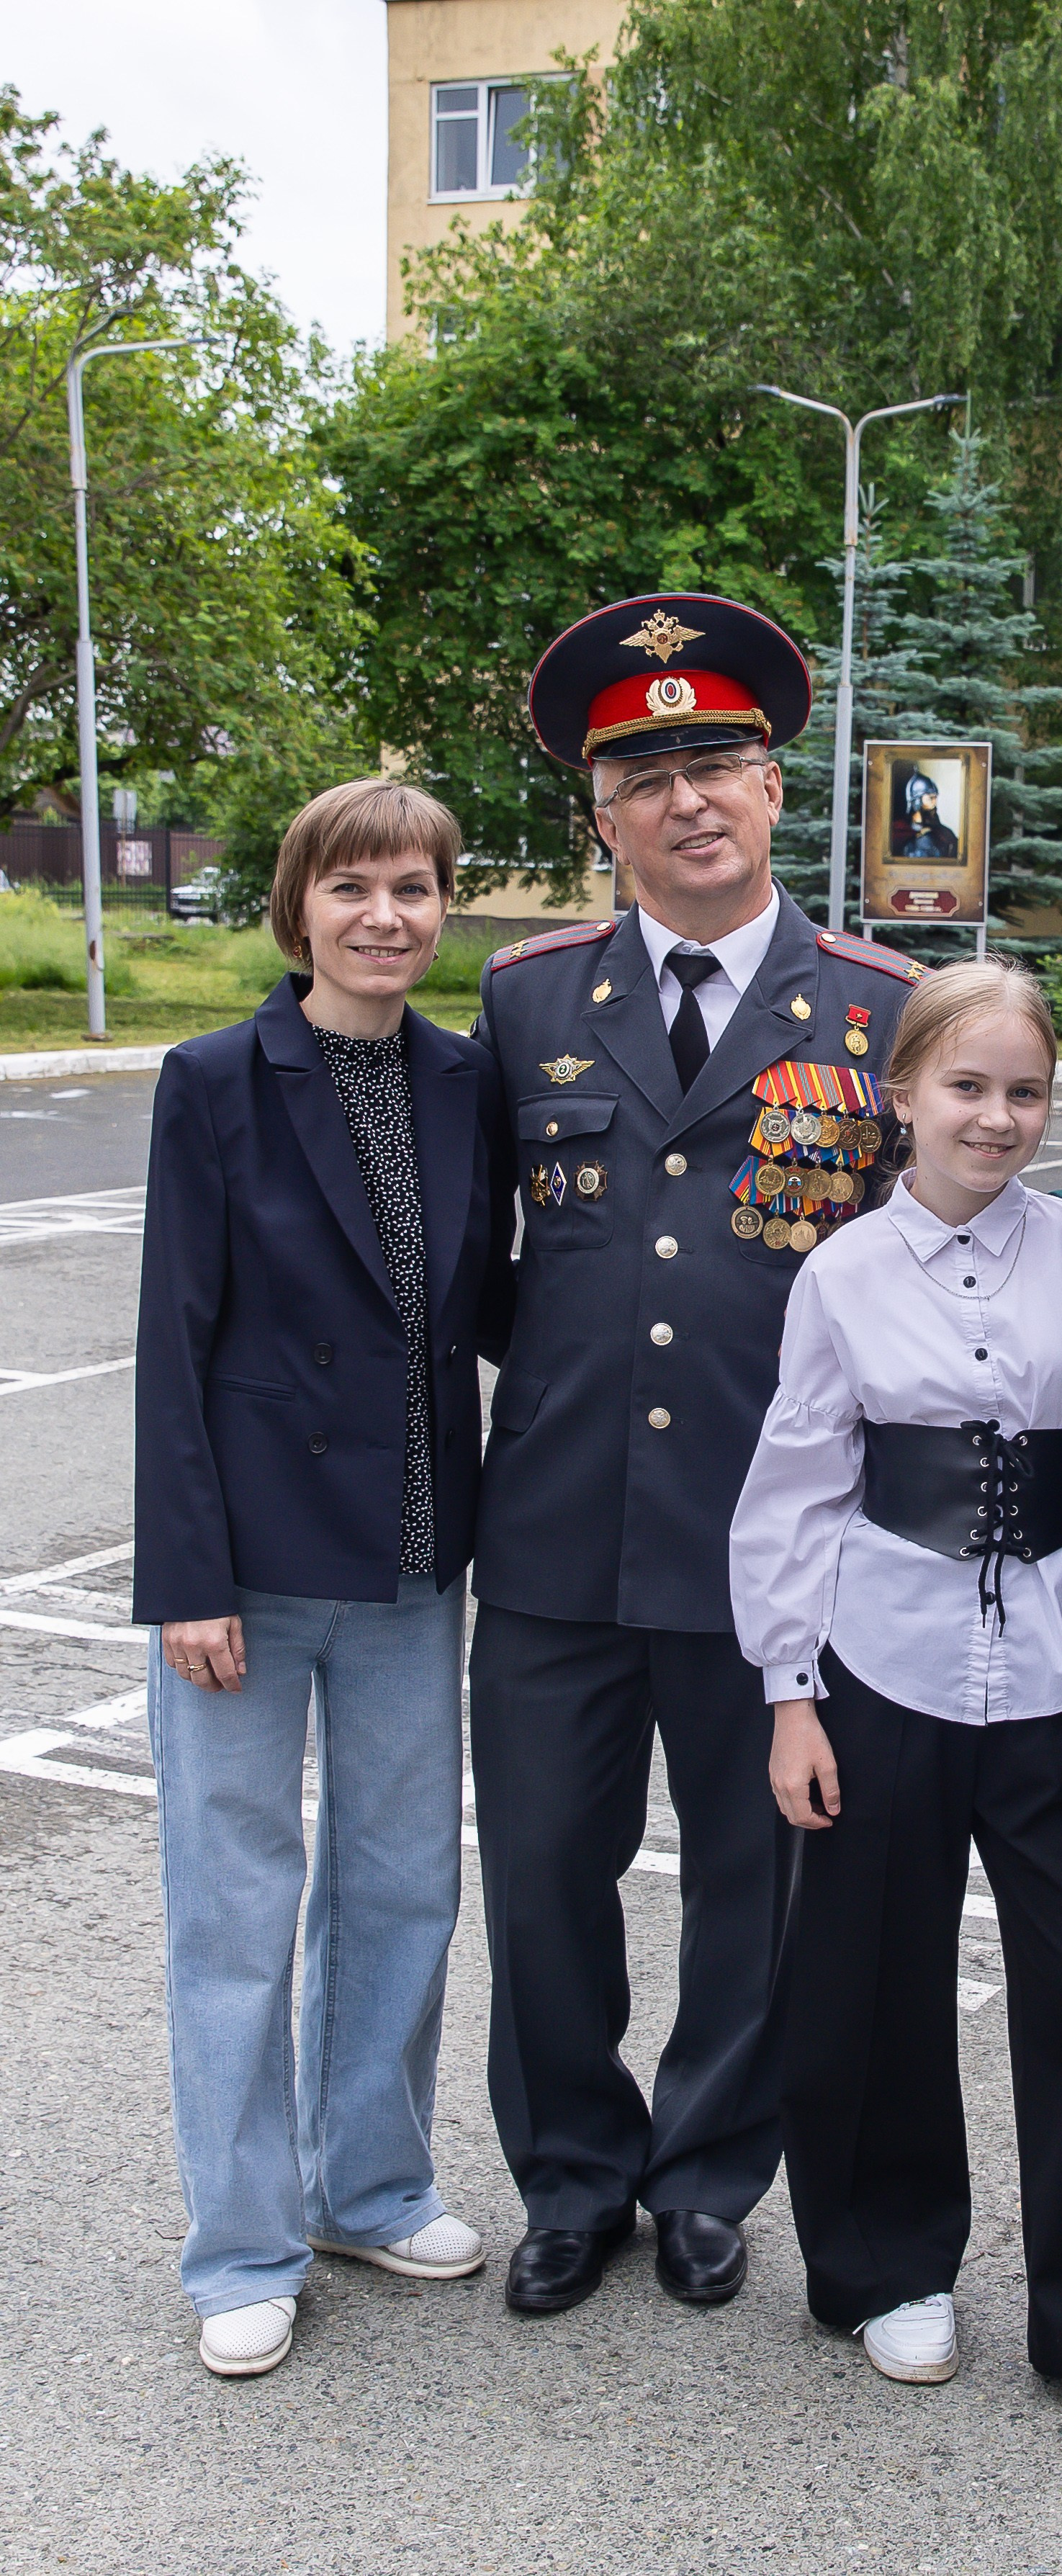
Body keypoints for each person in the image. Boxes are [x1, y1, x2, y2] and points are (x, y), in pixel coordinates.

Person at [467, 596, 1062, 2320]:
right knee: (544, 1876)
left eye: (721, 763)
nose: (689, 798)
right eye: (647, 772)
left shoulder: (881, 1009)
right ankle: (568, 2173)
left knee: (756, 1891)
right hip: (552, 1523)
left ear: (776, 789)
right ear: (599, 815)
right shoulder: (529, 995)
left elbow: (957, 1257)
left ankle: (705, 2176)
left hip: (771, 1547)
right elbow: (481, 1272)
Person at [730, 957, 1062, 2443]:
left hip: (1051, 1670)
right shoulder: (841, 1273)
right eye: (964, 1087)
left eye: (1020, 1091)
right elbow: (797, 1487)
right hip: (883, 1664)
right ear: (901, 1096)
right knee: (866, 1978)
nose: (993, 1119)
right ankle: (888, 2267)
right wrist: (790, 1694)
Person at [134, 780, 516, 2379]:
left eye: (415, 887)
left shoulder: (464, 1078)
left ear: (444, 910)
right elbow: (177, 1337)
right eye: (352, 886)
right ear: (297, 907)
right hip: (252, 1562)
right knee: (235, 1907)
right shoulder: (216, 1079)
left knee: (402, 1887)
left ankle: (368, 2181)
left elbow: (504, 1299)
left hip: (416, 1555)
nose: (385, 915)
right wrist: (186, 1582)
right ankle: (241, 2242)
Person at [896, 769, 960, 859]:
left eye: (935, 798)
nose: (935, 803)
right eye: (931, 798)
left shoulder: (944, 833)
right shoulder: (901, 830)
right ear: (917, 801)